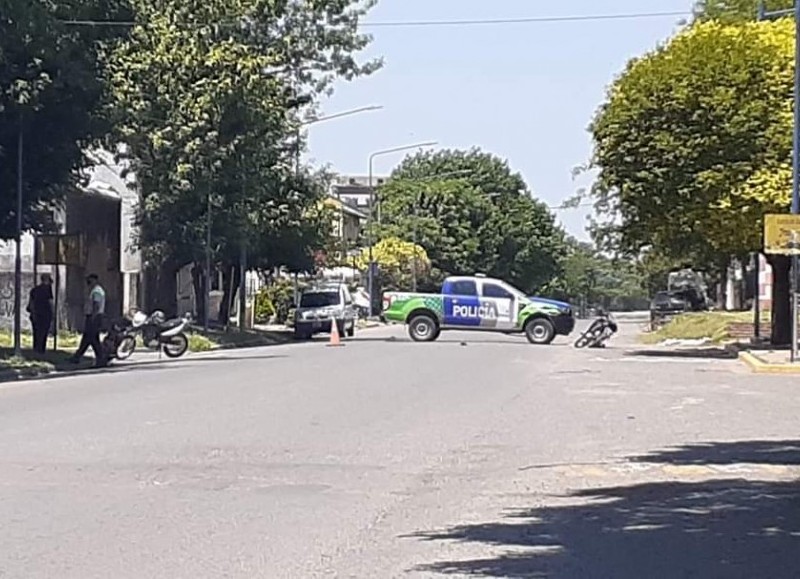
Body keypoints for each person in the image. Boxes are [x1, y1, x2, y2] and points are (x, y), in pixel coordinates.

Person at [70, 274, 107, 367]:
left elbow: (96, 305)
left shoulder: (97, 291)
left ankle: (100, 358)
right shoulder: (94, 290)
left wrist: (93, 318)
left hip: (94, 317)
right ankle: (77, 357)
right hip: (93, 316)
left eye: (89, 280)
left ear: (95, 280)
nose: (88, 283)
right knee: (88, 339)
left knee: (93, 339)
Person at [27, 273, 53, 354]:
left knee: (36, 332)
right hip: (45, 314)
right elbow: (50, 302)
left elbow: (31, 302)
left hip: (35, 314)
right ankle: (41, 349)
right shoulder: (48, 289)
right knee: (44, 332)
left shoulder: (34, 290)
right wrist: (53, 313)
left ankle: (36, 348)